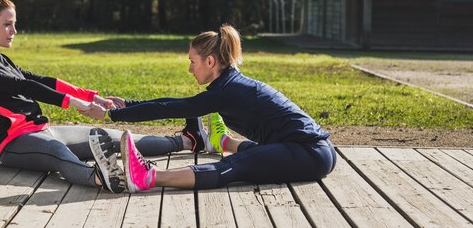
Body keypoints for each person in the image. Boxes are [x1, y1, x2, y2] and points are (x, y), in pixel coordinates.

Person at [0, 0, 200, 193]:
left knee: (110, 136)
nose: (14, 31)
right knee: (57, 153)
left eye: (14, 24)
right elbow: (23, 86)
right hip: (14, 144)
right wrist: (76, 104)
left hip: (45, 131)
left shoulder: (1, 59)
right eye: (7, 24)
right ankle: (104, 177)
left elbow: (40, 80)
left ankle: (188, 140)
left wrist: (90, 97)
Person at [87, 24, 337, 192]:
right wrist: (125, 105)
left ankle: (148, 177)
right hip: (313, 151)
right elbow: (175, 103)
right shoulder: (230, 83)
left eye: (192, 62)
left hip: (309, 154)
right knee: (257, 154)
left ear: (210, 61)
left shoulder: (227, 90)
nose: (190, 69)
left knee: (237, 165)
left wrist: (113, 114)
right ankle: (222, 141)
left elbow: (171, 108)